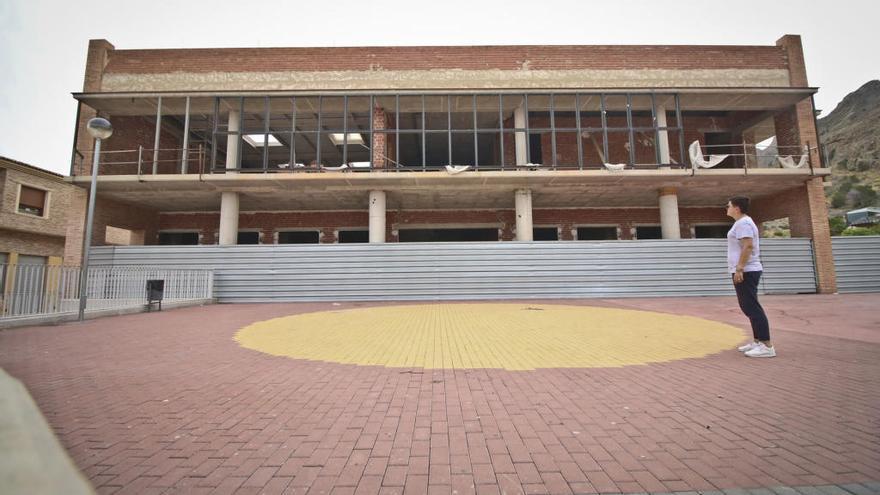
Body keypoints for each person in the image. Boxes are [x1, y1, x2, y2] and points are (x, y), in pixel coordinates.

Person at [726, 196, 775, 358]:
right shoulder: (741, 223)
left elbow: (748, 246)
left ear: (737, 208)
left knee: (752, 307)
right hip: (744, 270)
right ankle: (758, 341)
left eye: (729, 206)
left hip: (747, 270)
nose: (727, 208)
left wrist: (740, 268)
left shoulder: (743, 223)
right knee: (747, 306)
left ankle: (767, 345)